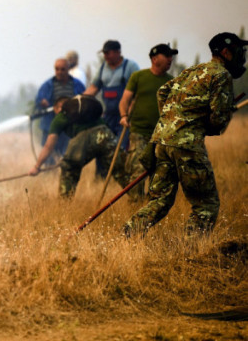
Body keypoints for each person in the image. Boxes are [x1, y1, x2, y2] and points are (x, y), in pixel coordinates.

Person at [123, 32, 246, 237]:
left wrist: (172, 121)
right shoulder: (221, 75)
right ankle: (192, 250)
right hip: (186, 147)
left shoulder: (193, 70)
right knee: (205, 203)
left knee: (160, 200)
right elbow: (217, 123)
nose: (243, 56)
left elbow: (163, 91)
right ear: (226, 52)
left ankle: (127, 234)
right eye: (240, 51)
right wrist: (214, 117)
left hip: (162, 142)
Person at [29, 95, 126, 198]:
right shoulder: (89, 111)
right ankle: (139, 198)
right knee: (122, 171)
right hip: (105, 135)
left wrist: (37, 167)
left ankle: (64, 203)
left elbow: (48, 146)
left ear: (56, 108)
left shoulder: (61, 116)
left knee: (69, 169)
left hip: (83, 139)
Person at [119, 43, 178, 201]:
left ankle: (151, 209)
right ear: (154, 58)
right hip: (139, 132)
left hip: (161, 136)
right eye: (167, 55)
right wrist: (124, 116)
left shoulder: (172, 82)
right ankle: (134, 207)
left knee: (158, 174)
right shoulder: (139, 77)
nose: (170, 59)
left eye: (171, 56)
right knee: (138, 169)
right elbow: (124, 100)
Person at [84, 40, 140, 141]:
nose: (105, 56)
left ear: (117, 52)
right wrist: (80, 99)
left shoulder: (130, 66)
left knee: (121, 147)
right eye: (104, 53)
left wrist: (130, 113)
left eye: (107, 53)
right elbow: (94, 88)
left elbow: (138, 92)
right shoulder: (102, 68)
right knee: (106, 145)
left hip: (124, 117)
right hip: (108, 116)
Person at [34, 58, 86, 165]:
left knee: (68, 154)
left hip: (70, 127)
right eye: (57, 69)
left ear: (68, 70)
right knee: (49, 154)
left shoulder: (77, 85)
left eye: (62, 69)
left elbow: (85, 100)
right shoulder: (48, 85)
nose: (59, 72)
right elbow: (39, 100)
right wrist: (42, 102)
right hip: (51, 126)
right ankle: (49, 177)